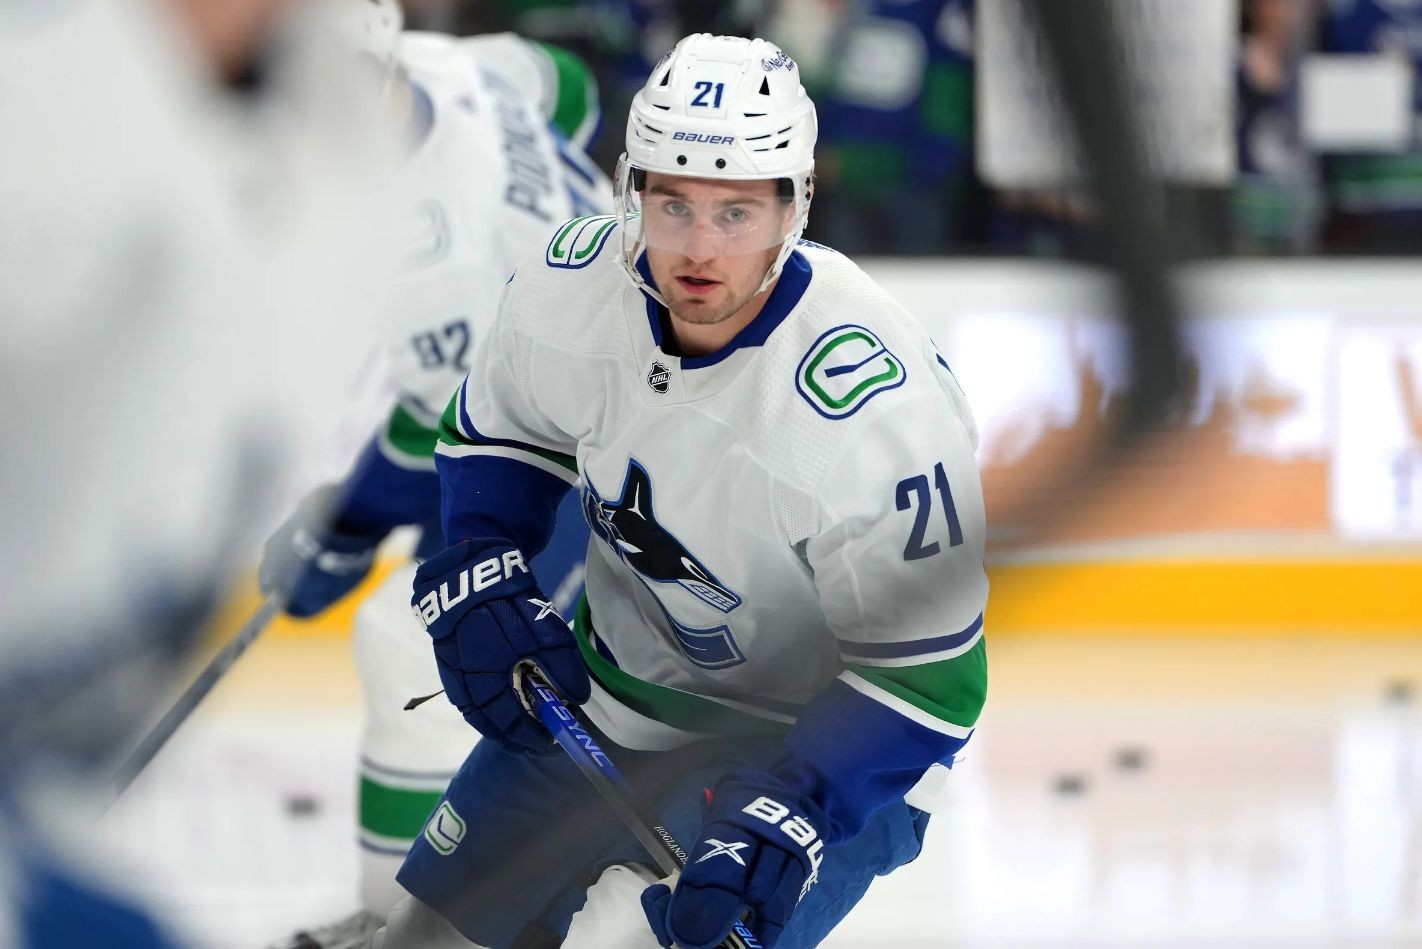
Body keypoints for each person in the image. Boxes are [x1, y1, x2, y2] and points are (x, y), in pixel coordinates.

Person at [384, 32, 988, 949]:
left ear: (795, 205)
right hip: (609, 693)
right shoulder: (570, 287)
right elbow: (502, 434)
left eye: (736, 212)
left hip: (811, 745)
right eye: (673, 204)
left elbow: (931, 679)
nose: (699, 248)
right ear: (630, 189)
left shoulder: (875, 409)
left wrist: (797, 804)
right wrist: (481, 557)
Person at [258, 3, 611, 946]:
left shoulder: (427, 250)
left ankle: (405, 924)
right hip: (593, 389)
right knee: (424, 641)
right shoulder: (446, 63)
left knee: (418, 640)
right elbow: (569, 90)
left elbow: (447, 428)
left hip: (601, 446)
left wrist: (343, 524)